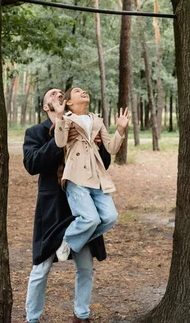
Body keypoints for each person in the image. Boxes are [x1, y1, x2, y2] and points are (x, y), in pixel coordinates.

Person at [23, 88, 111, 323]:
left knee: (85, 267)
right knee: (40, 269)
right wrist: (57, 141)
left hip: (82, 209)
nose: (58, 95)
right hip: (52, 208)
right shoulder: (35, 132)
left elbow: (104, 164)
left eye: (61, 93)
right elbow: (31, 164)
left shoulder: (82, 124)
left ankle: (81, 316)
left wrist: (99, 146)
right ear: (45, 106)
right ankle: (32, 320)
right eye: (52, 95)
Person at [53, 87, 130, 262]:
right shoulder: (66, 119)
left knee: (110, 217)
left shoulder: (97, 120)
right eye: (78, 91)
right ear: (69, 102)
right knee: (90, 219)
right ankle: (68, 241)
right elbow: (60, 142)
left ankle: (71, 240)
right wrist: (59, 117)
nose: (83, 92)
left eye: (85, 91)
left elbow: (111, 148)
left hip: (97, 176)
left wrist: (120, 129)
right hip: (76, 175)